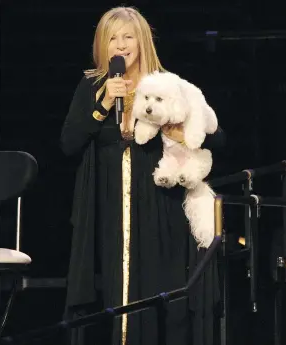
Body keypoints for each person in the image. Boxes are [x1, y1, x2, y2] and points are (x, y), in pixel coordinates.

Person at [60, 6, 225, 345]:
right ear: (103, 45)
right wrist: (102, 104)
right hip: (108, 207)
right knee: (114, 296)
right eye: (112, 38)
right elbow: (69, 143)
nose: (120, 45)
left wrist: (181, 133)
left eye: (128, 36)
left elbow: (217, 135)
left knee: (161, 296)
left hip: (158, 207)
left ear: (142, 40)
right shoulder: (92, 85)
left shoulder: (166, 83)